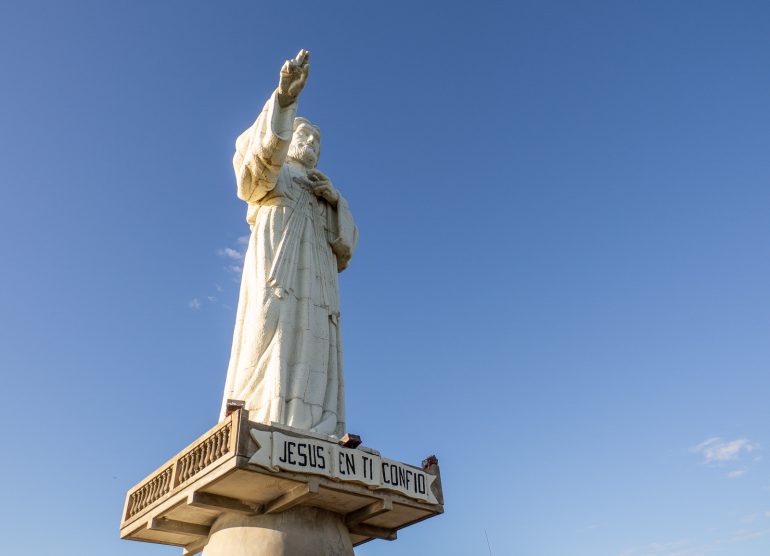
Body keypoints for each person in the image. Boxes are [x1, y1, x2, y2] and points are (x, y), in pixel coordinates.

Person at [220, 50, 358, 438]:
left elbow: (344, 249)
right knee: (270, 331)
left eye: (317, 140)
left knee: (316, 343)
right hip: (278, 269)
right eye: (305, 136)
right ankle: (263, 414)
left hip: (317, 284)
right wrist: (283, 102)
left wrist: (334, 202)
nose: (312, 144)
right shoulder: (277, 175)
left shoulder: (323, 192)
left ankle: (317, 426)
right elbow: (253, 175)